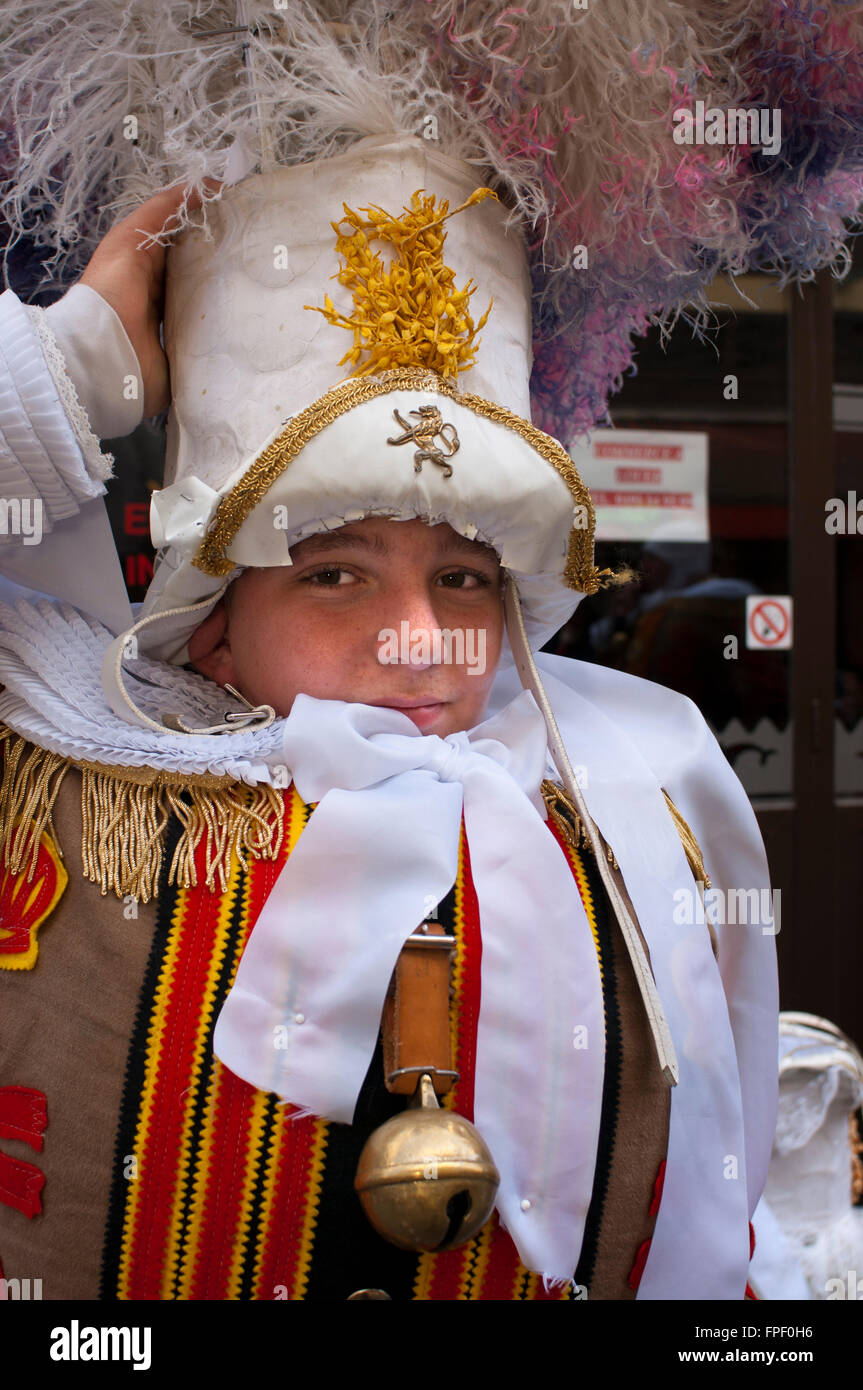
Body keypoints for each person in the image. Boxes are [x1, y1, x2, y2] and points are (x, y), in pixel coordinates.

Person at [0, 136, 777, 1302]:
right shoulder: (58, 763)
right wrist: (74, 362)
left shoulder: (639, 790)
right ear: (212, 622)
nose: (420, 634)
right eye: (335, 574)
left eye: (464, 578)